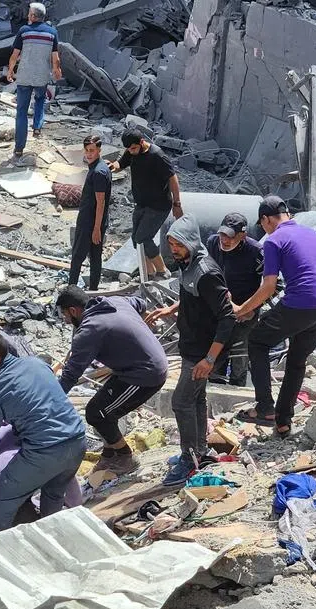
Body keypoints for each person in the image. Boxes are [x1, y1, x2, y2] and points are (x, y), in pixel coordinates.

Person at [0, 332, 87, 532]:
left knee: (3, 495)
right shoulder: (36, 364)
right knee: (53, 493)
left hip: (44, 452)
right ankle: (50, 538)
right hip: (77, 441)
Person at [233, 196, 316, 436]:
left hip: (301, 303)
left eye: (263, 225)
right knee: (296, 360)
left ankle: (264, 408)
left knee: (258, 341)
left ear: (266, 219)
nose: (264, 230)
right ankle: (283, 421)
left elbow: (269, 285)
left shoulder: (274, 240)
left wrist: (244, 309)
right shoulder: (313, 234)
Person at [146, 216, 234, 487]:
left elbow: (227, 317)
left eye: (179, 244)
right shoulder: (189, 263)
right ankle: (200, 451)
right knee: (195, 399)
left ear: (191, 243)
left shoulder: (206, 273)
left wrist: (210, 358)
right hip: (192, 345)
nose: (174, 249)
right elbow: (191, 297)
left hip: (202, 351)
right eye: (171, 243)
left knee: (181, 401)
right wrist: (170, 309)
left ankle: (188, 459)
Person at [56, 286, 168, 474]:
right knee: (105, 408)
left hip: (145, 374)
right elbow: (141, 303)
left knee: (96, 413)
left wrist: (51, 402)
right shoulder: (115, 301)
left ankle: (126, 457)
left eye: (65, 315)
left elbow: (70, 374)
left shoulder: (89, 330)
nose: (66, 321)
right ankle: (109, 455)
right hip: (137, 366)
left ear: (74, 310)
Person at [108, 130, 182, 280]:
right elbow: (120, 164)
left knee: (143, 238)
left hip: (158, 206)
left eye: (133, 148)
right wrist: (112, 166)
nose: (131, 151)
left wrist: (177, 203)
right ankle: (149, 273)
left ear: (142, 142)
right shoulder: (131, 151)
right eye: (129, 149)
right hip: (141, 203)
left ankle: (162, 272)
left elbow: (172, 178)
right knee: (137, 241)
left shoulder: (157, 156)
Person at [205, 213, 264, 386]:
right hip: (219, 312)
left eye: (230, 236)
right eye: (222, 234)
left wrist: (251, 308)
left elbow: (274, 286)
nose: (224, 240)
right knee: (216, 356)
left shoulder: (256, 252)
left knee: (239, 358)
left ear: (242, 236)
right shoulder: (212, 243)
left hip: (245, 315)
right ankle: (214, 390)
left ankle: (236, 394)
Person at [5, 2, 61, 161]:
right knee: (40, 100)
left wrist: (10, 71)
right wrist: (57, 71)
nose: (28, 15)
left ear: (33, 16)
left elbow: (15, 55)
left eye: (29, 13)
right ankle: (37, 127)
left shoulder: (24, 31)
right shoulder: (52, 33)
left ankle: (19, 149)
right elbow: (55, 57)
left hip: (24, 76)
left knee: (21, 111)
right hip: (41, 76)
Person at [69, 135, 113, 288]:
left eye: (92, 151)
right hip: (96, 222)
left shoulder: (98, 173)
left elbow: (100, 203)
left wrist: (96, 229)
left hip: (90, 223)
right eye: (87, 150)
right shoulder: (100, 167)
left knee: (77, 258)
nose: (88, 154)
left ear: (99, 150)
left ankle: (71, 290)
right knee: (95, 257)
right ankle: (93, 290)